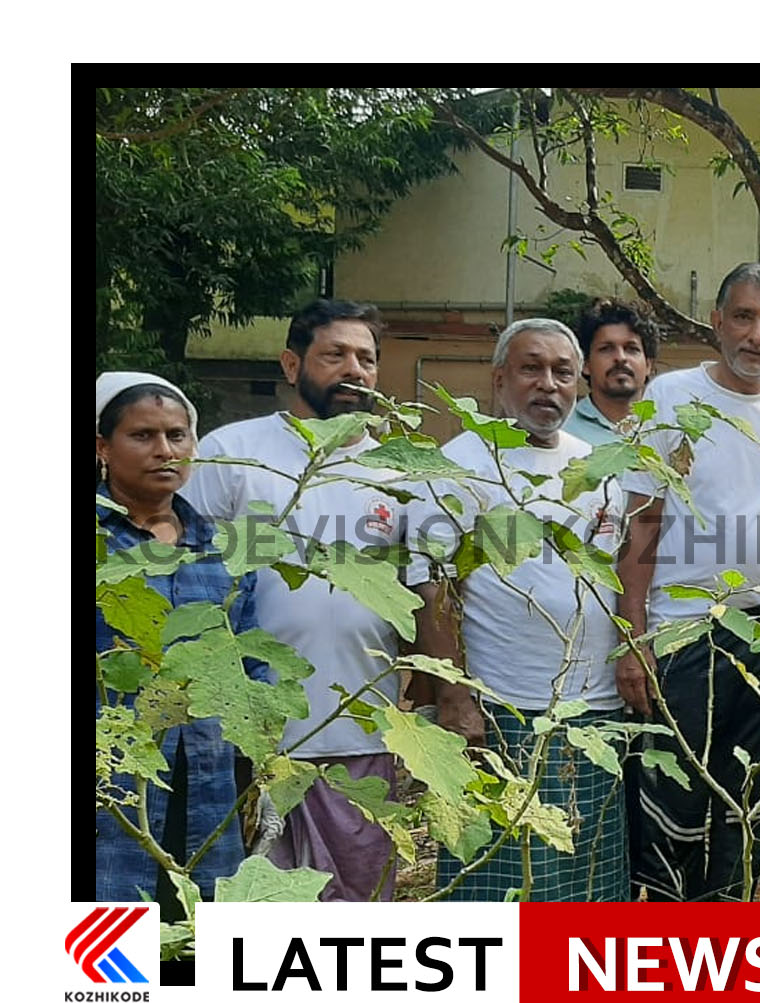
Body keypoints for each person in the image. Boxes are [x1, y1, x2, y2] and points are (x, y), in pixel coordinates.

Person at [182, 299, 431, 902]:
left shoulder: (397, 472)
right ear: (292, 365)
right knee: (255, 905)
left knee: (359, 902)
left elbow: (428, 585)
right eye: (336, 354)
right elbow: (186, 569)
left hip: (359, 726)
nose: (355, 369)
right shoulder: (232, 454)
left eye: (367, 359)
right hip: (248, 732)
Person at [614, 262, 760, 903]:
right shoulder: (671, 397)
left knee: (751, 810)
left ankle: (726, 947)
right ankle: (663, 966)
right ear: (717, 320)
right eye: (743, 316)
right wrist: (634, 638)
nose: (756, 335)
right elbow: (641, 524)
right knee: (669, 810)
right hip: (684, 634)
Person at [415, 318, 629, 901]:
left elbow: (615, 576)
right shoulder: (459, 465)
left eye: (563, 372)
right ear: (498, 380)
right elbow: (433, 587)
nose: (548, 385)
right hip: (503, 710)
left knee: (587, 882)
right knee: (501, 882)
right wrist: (455, 701)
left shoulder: (599, 469)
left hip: (593, 709)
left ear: (579, 384)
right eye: (531, 368)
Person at [94, 373, 257, 913]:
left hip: (209, 780)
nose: (165, 450)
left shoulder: (225, 547)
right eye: (143, 436)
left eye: (177, 435)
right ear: (102, 447)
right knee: (111, 960)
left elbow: (250, 660)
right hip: (112, 785)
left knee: (201, 937)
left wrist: (260, 758)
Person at [565, 298, 658, 445]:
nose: (620, 358)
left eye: (631, 349)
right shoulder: (562, 431)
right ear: (585, 364)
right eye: (606, 349)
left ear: (648, 365)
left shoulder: (667, 429)